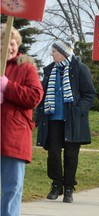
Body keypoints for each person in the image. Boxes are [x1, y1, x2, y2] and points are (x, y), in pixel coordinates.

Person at [36, 36, 96, 203]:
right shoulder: (49, 70)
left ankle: (69, 187)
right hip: (53, 118)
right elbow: (42, 94)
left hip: (73, 120)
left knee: (71, 155)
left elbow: (89, 94)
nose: (51, 54)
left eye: (54, 51)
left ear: (63, 53)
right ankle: (56, 184)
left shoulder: (79, 68)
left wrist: (78, 111)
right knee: (53, 153)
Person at [1, 24, 44, 216]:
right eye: (3, 43)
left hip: (14, 136)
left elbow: (35, 97)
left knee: (12, 187)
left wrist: (7, 87)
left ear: (17, 45)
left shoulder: (26, 68)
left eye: (12, 43)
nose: (8, 47)